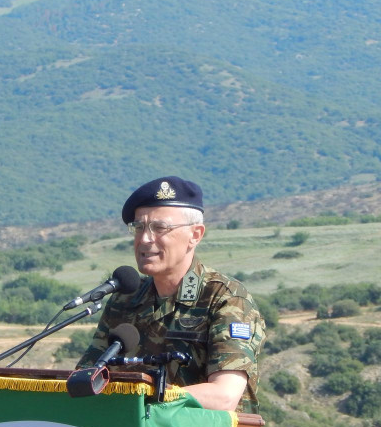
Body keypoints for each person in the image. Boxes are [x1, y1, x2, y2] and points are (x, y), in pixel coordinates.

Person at [76, 176, 265, 412]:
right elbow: (86, 377)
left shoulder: (225, 299)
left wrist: (147, 398)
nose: (145, 239)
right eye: (139, 227)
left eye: (159, 228)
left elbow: (224, 396)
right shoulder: (124, 299)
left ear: (195, 235)